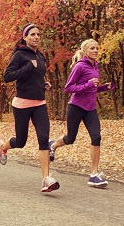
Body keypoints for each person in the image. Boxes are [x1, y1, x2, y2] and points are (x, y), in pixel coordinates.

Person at [0, 23, 60, 193]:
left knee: (43, 138)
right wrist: (27, 67)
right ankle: (3, 147)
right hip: (22, 104)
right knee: (21, 141)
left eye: (38, 34)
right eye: (32, 34)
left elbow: (37, 76)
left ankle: (46, 179)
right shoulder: (19, 55)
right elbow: (8, 76)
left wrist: (44, 84)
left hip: (39, 102)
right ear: (25, 37)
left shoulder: (41, 57)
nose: (36, 37)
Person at [49, 38, 114, 188]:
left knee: (96, 137)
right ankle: (52, 146)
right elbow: (68, 88)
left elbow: (93, 88)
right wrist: (88, 84)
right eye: (92, 48)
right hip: (76, 107)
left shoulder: (96, 67)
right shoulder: (79, 67)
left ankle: (94, 175)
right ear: (85, 51)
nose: (96, 51)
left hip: (90, 109)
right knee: (70, 138)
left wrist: (104, 87)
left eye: (97, 48)